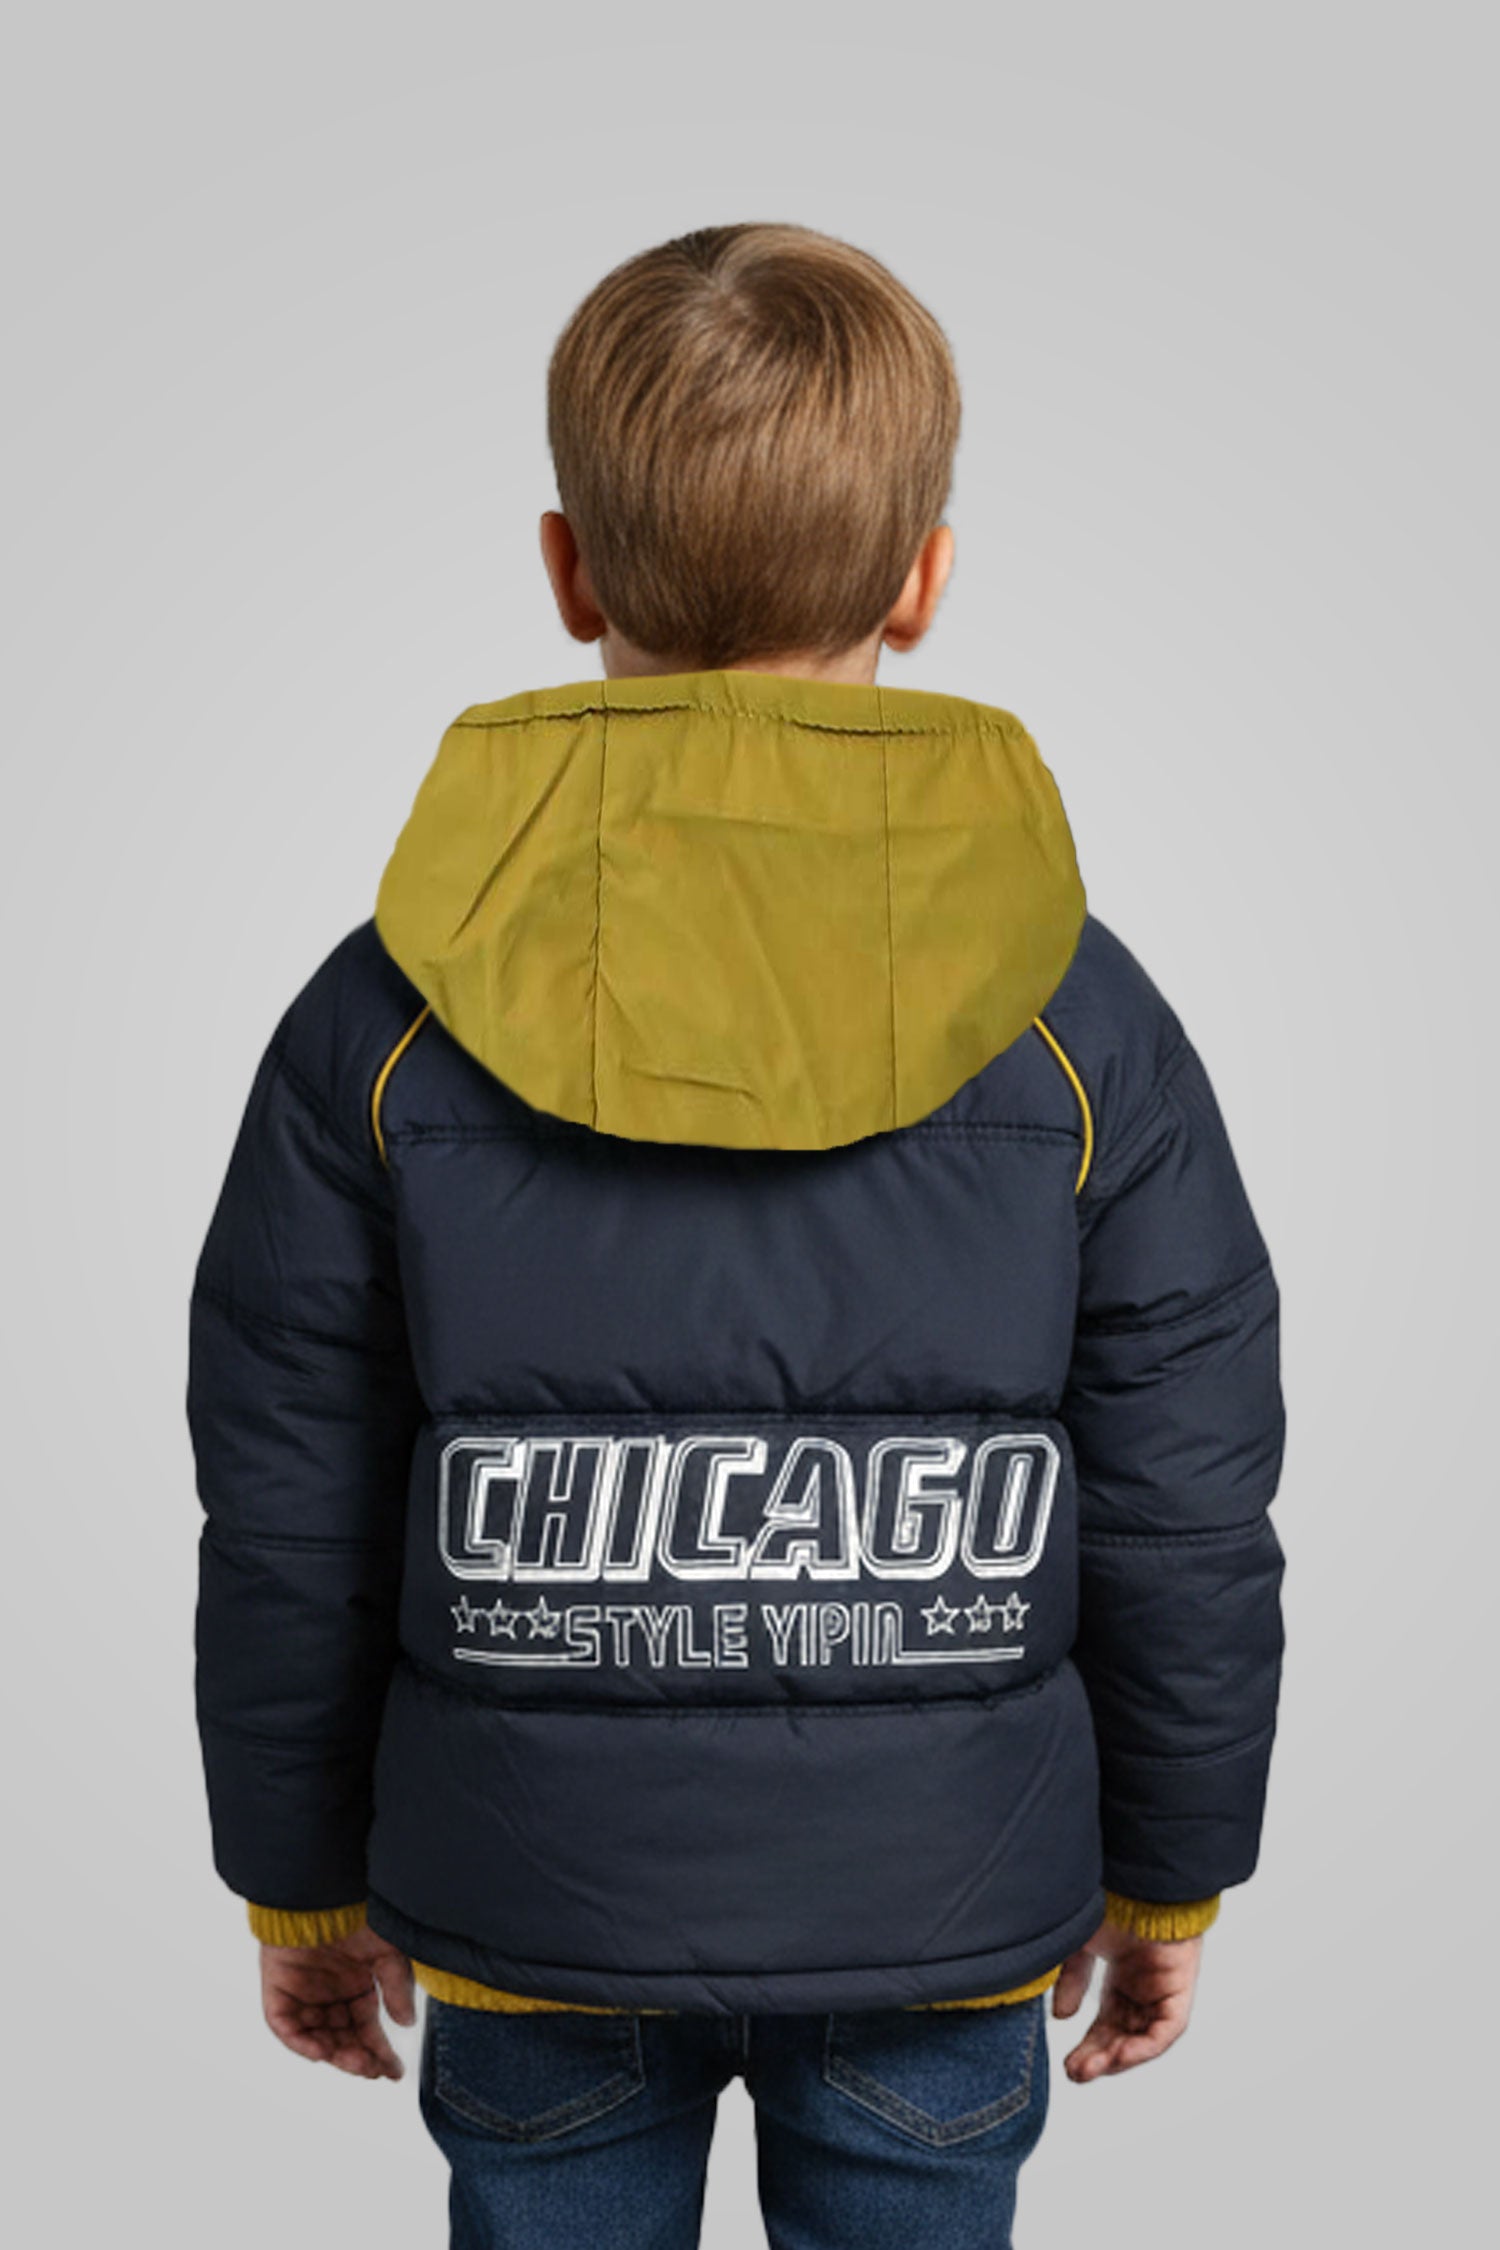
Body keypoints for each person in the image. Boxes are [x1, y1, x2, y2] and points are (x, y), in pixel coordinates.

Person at [187, 221, 1287, 2249]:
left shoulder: (391, 1011)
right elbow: (1186, 1501)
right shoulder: (1075, 1014)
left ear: (570, 571)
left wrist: (299, 1881)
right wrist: (1171, 1868)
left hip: (531, 1905)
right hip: (945, 1902)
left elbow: (288, 1501)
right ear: (924, 579)